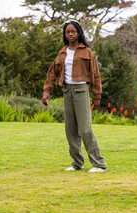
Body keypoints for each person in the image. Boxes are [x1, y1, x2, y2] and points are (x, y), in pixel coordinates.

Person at [42, 20, 108, 173]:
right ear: (65, 35)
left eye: (73, 31)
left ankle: (99, 164)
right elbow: (52, 73)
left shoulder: (87, 52)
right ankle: (77, 163)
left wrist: (97, 96)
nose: (70, 34)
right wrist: (47, 91)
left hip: (81, 91)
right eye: (67, 32)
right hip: (67, 92)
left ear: (78, 33)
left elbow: (95, 75)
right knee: (70, 130)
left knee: (85, 129)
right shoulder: (62, 52)